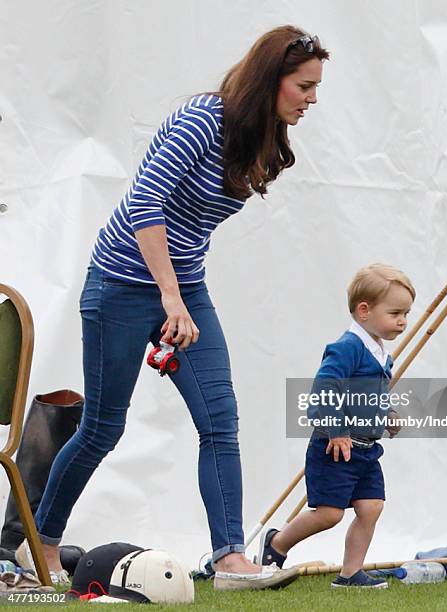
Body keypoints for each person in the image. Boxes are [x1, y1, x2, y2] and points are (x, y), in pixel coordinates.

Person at [16, 25, 329, 590]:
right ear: (271, 80)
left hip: (183, 290)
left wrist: (178, 297)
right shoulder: (201, 121)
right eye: (304, 87)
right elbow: (145, 201)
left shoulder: (260, 139)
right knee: (101, 429)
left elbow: (194, 225)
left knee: (220, 421)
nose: (312, 100)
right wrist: (167, 296)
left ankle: (231, 560)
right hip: (121, 283)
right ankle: (39, 543)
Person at [258, 263, 415, 589]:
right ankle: (277, 544)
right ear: (364, 311)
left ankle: (350, 574)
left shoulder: (379, 350)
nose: (403, 321)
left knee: (371, 507)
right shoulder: (347, 348)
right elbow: (325, 390)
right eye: (396, 313)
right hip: (335, 446)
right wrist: (337, 430)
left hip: (366, 449)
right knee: (329, 514)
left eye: (406, 313)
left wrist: (385, 413)